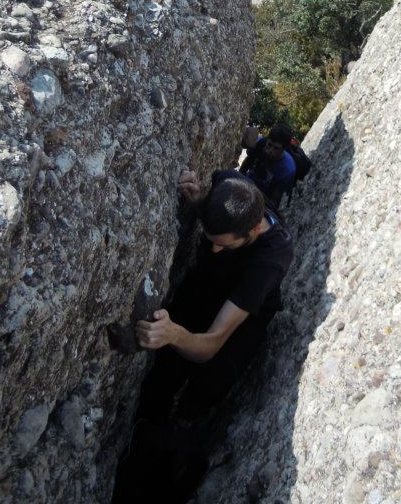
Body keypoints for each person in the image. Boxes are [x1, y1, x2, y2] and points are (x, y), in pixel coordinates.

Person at [112, 170, 293, 503]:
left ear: (254, 230)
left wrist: (175, 334)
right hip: (212, 281)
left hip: (245, 311)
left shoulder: (270, 260)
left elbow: (211, 343)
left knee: (212, 379)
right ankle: (152, 422)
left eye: (223, 243)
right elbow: (215, 235)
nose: (214, 248)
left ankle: (185, 424)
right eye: (209, 239)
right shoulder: (230, 184)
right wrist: (198, 203)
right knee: (165, 369)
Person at [240, 123, 297, 208]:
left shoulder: (287, 170)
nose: (270, 151)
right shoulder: (261, 144)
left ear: (284, 149)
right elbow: (247, 163)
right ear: (267, 140)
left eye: (276, 148)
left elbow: (274, 201)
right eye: (269, 145)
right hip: (245, 184)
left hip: (260, 200)